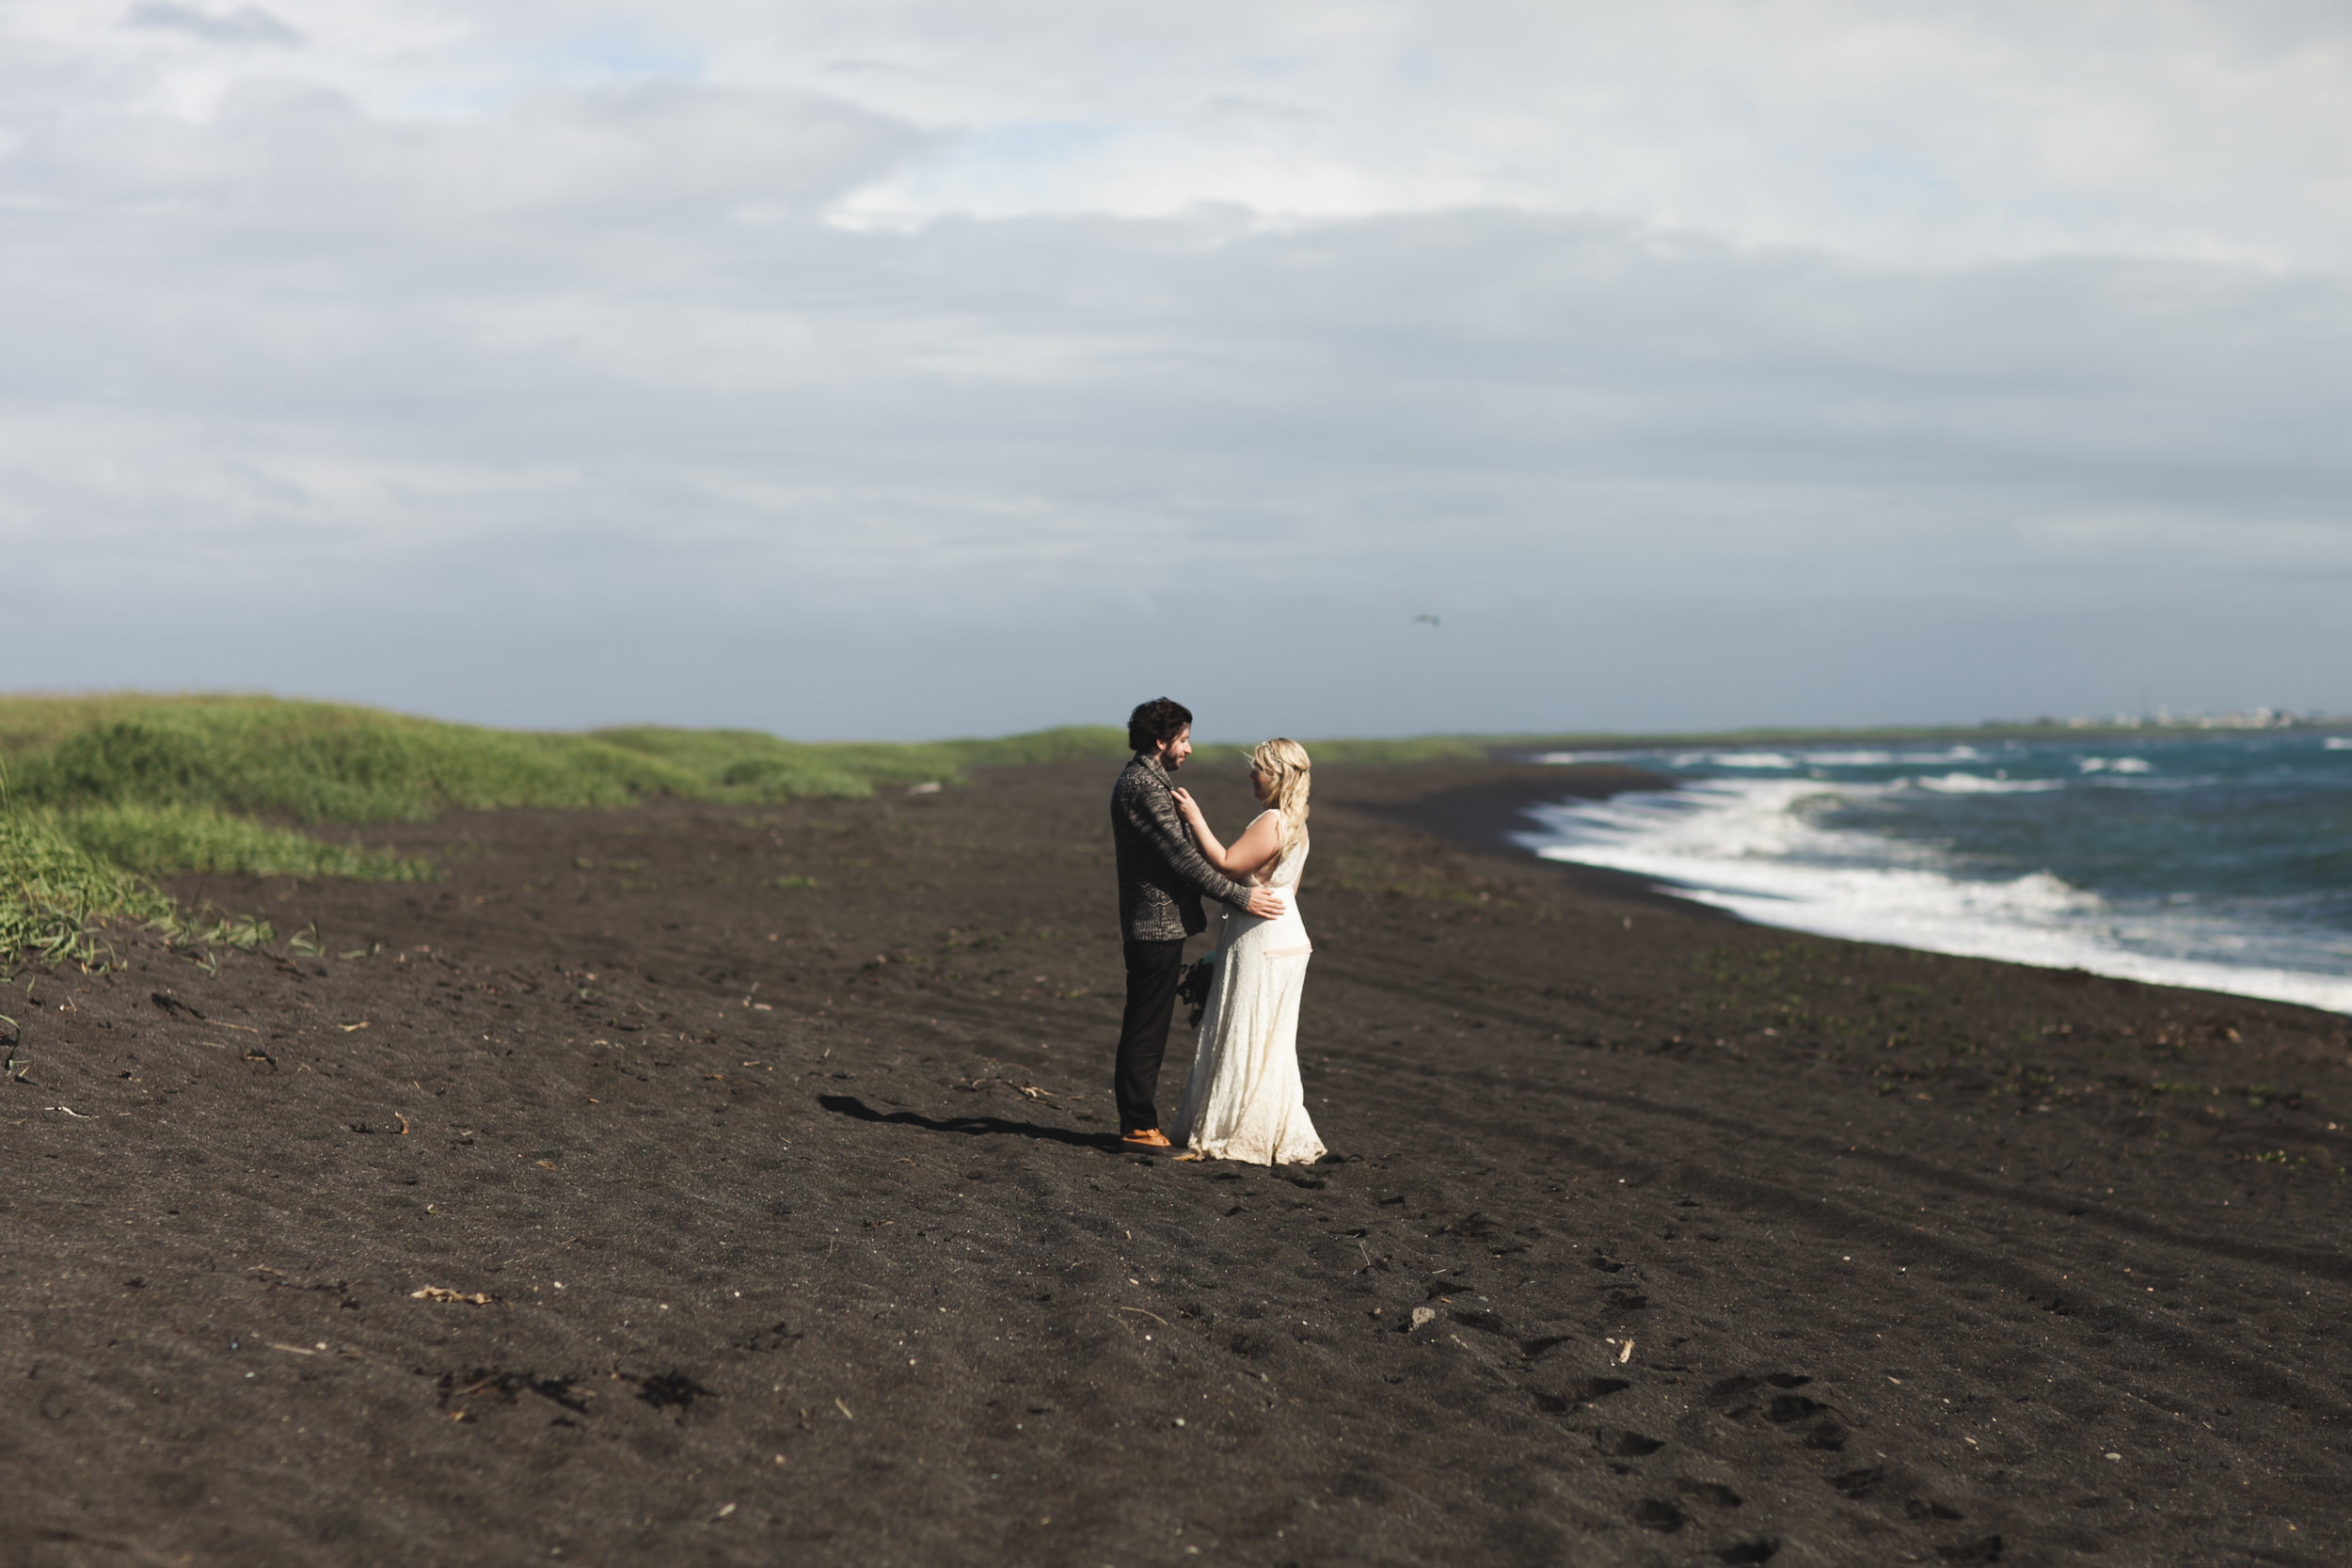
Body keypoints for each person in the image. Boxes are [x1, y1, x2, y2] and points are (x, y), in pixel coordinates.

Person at [1108, 699, 1289, 1152]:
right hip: (1153, 926)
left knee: (1149, 1022)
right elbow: (1184, 860)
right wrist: (1241, 895)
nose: (1188, 749)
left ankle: (1139, 1122)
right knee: (1146, 1026)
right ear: (1161, 740)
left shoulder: (1148, 781)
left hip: (1158, 925)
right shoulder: (1143, 787)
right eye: (1184, 739)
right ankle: (1136, 1126)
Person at [1166, 738, 1327, 1164]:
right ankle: (1267, 1131)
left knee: (1245, 1031)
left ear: (1277, 776)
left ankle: (1234, 1133)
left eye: (1257, 768)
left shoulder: (1273, 820)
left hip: (1262, 941)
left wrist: (1195, 818)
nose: (1250, 775)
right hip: (1289, 938)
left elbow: (1226, 862)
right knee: (1272, 1040)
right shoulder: (1298, 824)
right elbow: (1288, 889)